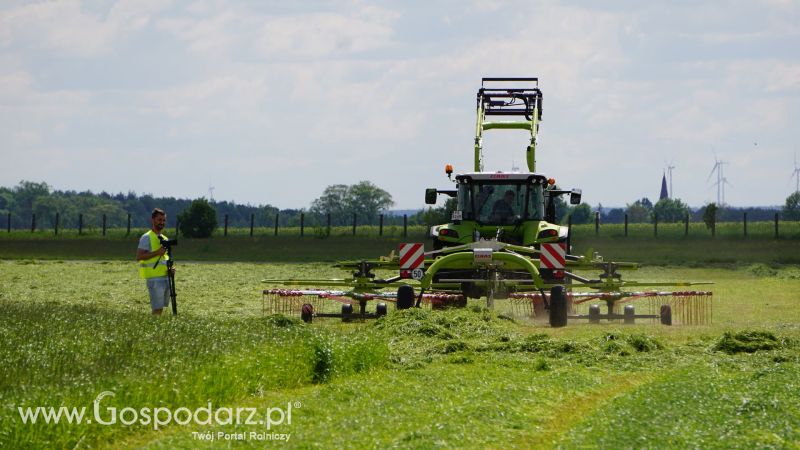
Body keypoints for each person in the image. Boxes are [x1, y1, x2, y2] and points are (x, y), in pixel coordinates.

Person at [136, 208, 174, 315]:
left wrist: (170, 269)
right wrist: (157, 252)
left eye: (163, 220)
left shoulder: (164, 238)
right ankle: (153, 328)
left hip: (165, 277)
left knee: (161, 308)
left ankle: (156, 327)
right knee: (157, 308)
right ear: (153, 220)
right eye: (159, 220)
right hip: (154, 279)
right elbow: (139, 256)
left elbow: (164, 258)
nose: (162, 222)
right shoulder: (146, 237)